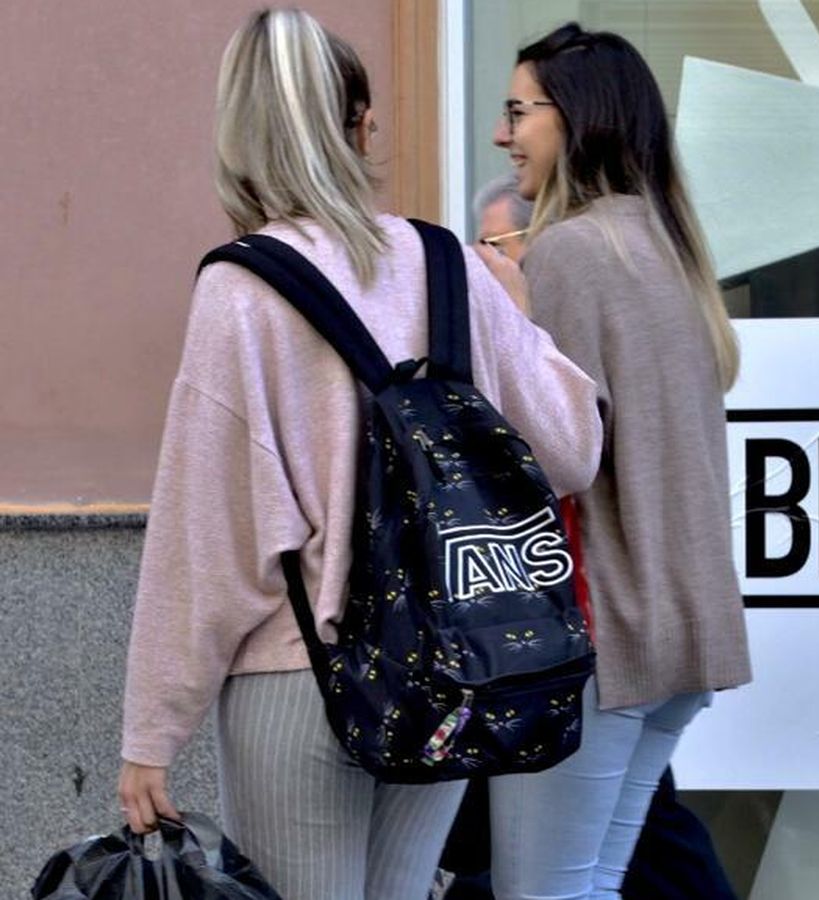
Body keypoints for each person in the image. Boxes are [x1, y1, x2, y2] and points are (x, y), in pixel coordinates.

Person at [114, 9, 602, 898]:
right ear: (363, 127)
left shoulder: (242, 289)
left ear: (236, 131)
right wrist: (517, 323)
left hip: (301, 674)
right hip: (451, 663)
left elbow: (208, 540)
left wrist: (152, 733)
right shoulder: (449, 262)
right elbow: (573, 449)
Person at [473, 22, 753, 899]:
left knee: (549, 893)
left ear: (577, 117)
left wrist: (502, 324)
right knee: (595, 882)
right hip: (679, 631)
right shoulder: (668, 250)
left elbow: (553, 456)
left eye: (519, 110)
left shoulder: (569, 251)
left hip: (606, 632)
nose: (502, 133)